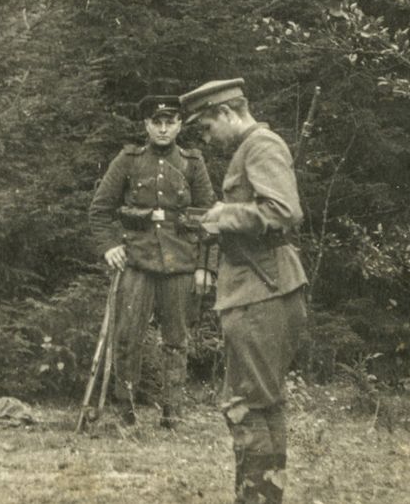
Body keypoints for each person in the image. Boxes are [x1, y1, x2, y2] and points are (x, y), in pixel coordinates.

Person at [181, 78, 308, 504]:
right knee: (262, 403)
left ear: (226, 113)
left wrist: (223, 215)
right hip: (260, 287)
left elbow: (284, 211)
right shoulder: (252, 148)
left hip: (261, 291)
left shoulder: (261, 146)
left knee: (248, 405)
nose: (206, 139)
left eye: (206, 128)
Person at [88, 93, 216, 427]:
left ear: (179, 125)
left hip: (180, 262)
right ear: (146, 125)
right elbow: (100, 210)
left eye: (169, 122)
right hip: (137, 261)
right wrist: (109, 246)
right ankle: (125, 410)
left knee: (176, 340)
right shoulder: (129, 160)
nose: (162, 129)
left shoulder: (192, 163)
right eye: (156, 122)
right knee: (127, 336)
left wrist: (206, 267)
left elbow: (210, 218)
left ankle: (172, 412)